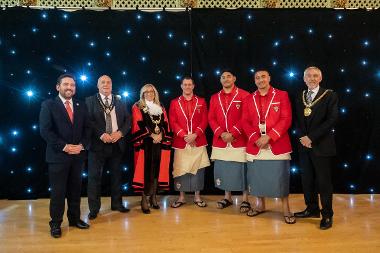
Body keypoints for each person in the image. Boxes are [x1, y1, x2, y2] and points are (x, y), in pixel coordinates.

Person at [39, 74, 91, 238]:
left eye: (72, 85)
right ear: (58, 87)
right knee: (58, 193)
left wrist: (81, 146)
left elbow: (88, 129)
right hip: (58, 157)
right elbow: (45, 131)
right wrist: (65, 147)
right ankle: (55, 223)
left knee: (75, 190)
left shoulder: (81, 105)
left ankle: (74, 219)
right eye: (66, 84)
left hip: (78, 156)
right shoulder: (48, 105)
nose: (69, 87)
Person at [242, 69, 295, 224]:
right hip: (256, 144)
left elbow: (286, 118)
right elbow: (245, 121)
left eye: (263, 76)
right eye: (257, 78)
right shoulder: (248, 98)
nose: (260, 80)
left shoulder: (282, 95)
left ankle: (286, 208)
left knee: (281, 178)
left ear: (269, 78)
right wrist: (256, 138)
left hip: (277, 143)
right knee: (257, 177)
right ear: (254, 81)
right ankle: (260, 205)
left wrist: (270, 136)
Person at [294, 66, 338, 230]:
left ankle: (327, 214)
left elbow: (332, 119)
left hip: (322, 145)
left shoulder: (330, 95)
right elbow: (297, 120)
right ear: (304, 79)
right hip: (304, 146)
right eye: (308, 76)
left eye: (315, 76)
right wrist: (303, 138)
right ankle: (311, 209)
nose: (312, 78)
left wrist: (311, 137)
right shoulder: (300, 95)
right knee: (307, 180)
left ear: (320, 78)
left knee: (324, 182)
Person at [86, 75, 131, 220]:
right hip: (97, 145)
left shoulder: (120, 99)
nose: (106, 84)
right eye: (103, 82)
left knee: (117, 176)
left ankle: (117, 204)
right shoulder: (89, 100)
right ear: (97, 86)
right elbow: (88, 121)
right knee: (94, 178)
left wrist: (121, 133)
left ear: (112, 85)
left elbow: (128, 120)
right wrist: (101, 134)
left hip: (117, 144)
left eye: (109, 82)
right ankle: (94, 209)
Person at [208, 69, 251, 212]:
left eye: (228, 76)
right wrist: (221, 133)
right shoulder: (215, 97)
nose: (225, 79)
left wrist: (233, 133)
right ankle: (227, 197)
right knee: (224, 168)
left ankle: (245, 199)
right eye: (223, 77)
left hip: (239, 139)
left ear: (234, 78)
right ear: (220, 80)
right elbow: (211, 118)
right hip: (220, 141)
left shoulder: (244, 95)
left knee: (242, 170)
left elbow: (246, 117)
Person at [130, 84, 172, 214]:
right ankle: (144, 198)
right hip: (145, 143)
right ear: (142, 94)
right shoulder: (137, 106)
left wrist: (161, 135)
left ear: (155, 93)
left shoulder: (161, 106)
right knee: (145, 170)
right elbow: (138, 124)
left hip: (158, 143)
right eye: (146, 92)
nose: (149, 94)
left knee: (156, 169)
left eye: (151, 91)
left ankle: (154, 197)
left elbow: (166, 123)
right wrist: (152, 135)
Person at [169, 77, 210, 208]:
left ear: (193, 86)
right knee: (180, 168)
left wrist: (195, 135)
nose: (187, 87)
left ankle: (197, 196)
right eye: (185, 84)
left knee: (198, 168)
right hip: (181, 141)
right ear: (181, 86)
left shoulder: (201, 101)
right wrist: (184, 136)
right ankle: (181, 197)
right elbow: (173, 121)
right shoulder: (174, 102)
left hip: (198, 140)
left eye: (189, 84)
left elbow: (205, 120)